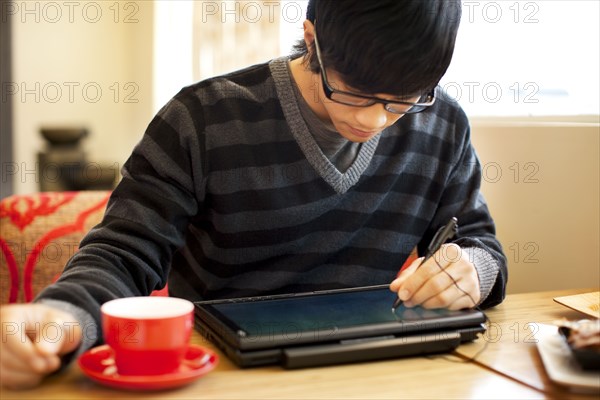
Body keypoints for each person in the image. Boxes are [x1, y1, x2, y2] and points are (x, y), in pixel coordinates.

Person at [0, 0, 507, 390]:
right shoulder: (201, 119)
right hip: (220, 376)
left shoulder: (441, 125)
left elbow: (481, 244)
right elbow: (123, 251)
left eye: (401, 101)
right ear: (313, 41)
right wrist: (61, 317)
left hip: (370, 373)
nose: (374, 120)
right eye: (355, 93)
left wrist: (472, 271)